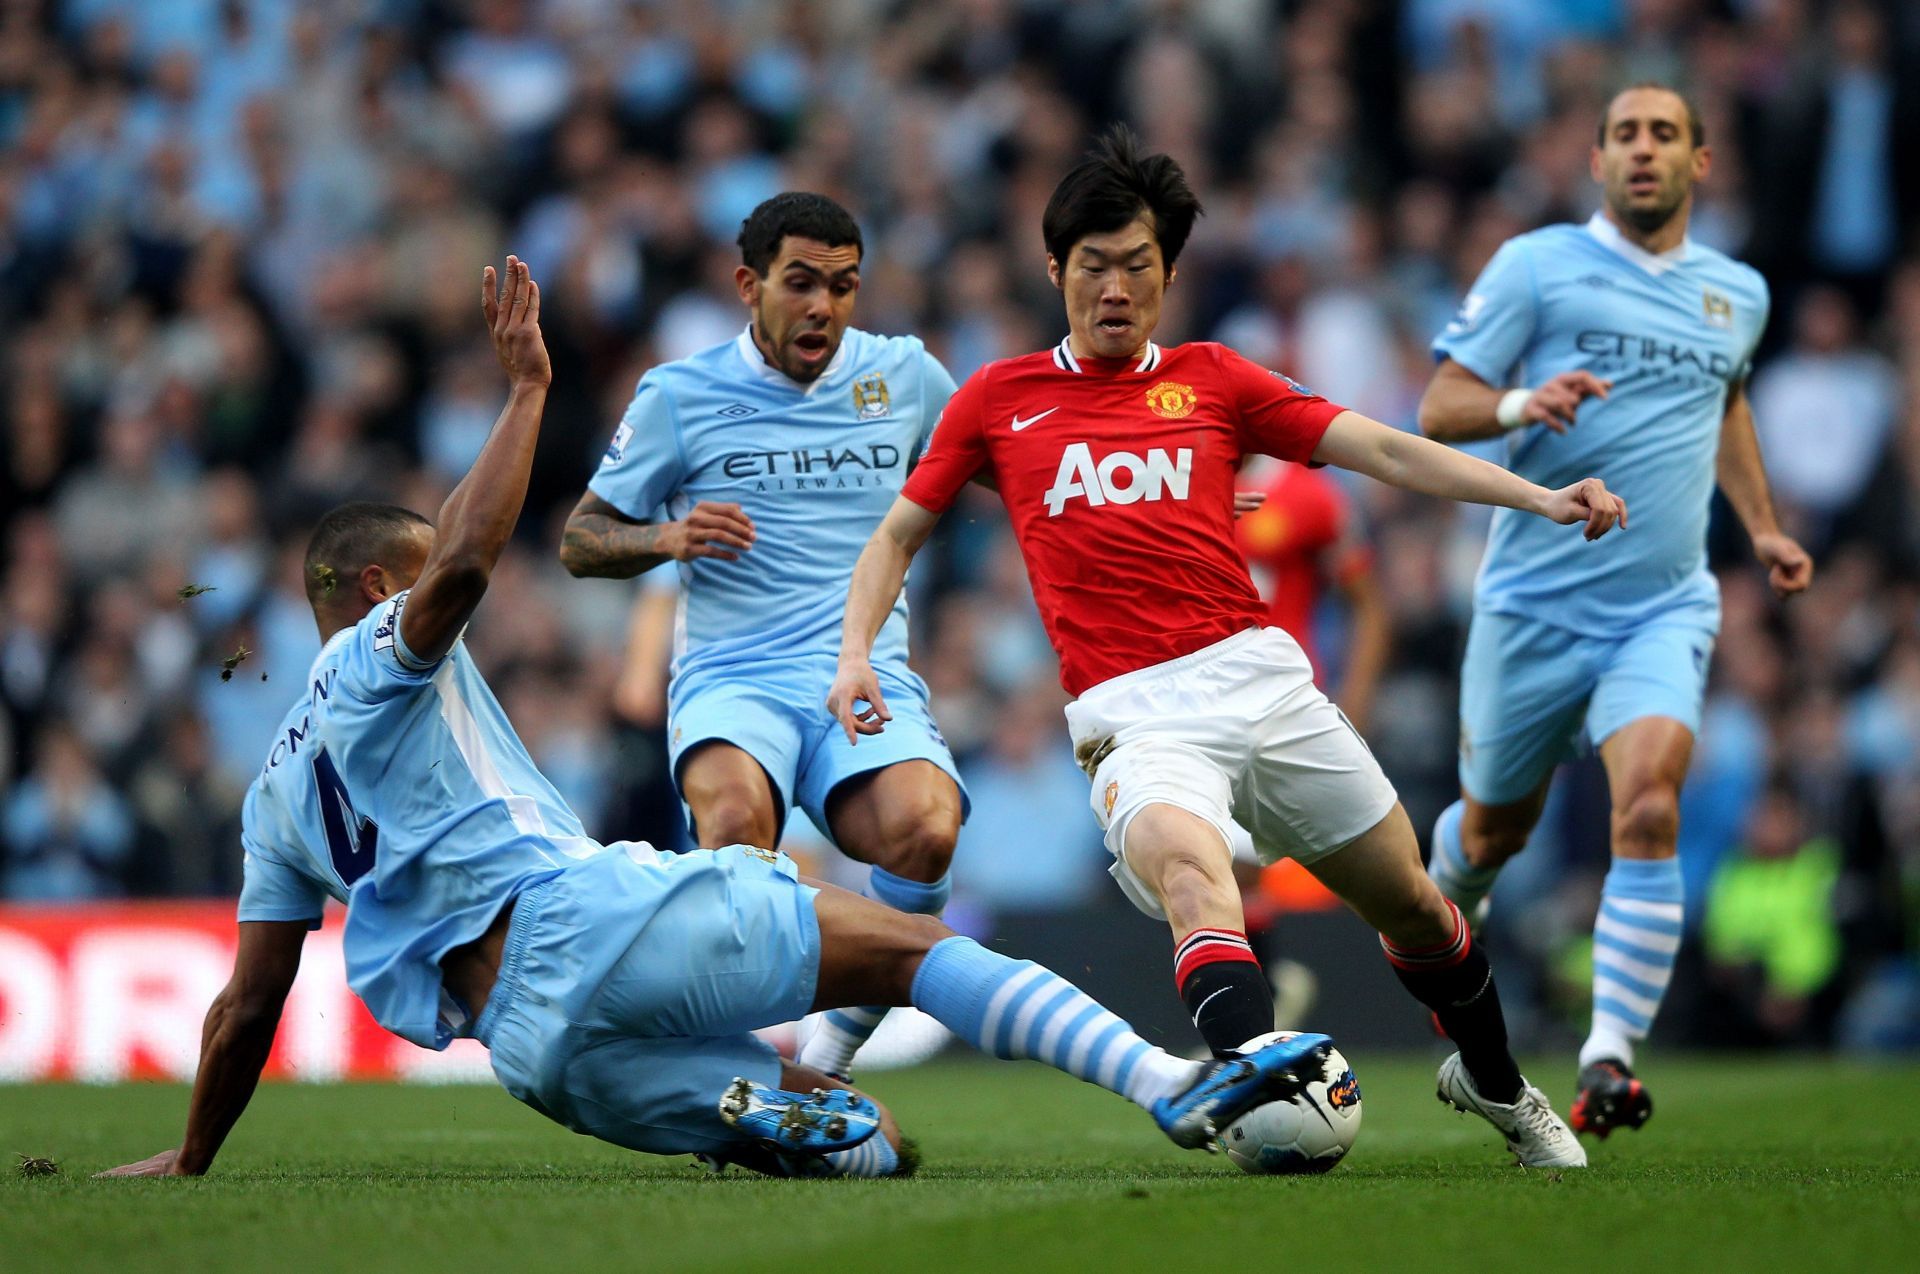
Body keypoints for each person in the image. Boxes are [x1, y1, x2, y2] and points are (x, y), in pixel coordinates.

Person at [99, 257, 1332, 1181]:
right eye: (410, 576)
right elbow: (467, 563)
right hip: (574, 919)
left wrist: (191, 1156)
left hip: (533, 1055)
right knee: (906, 949)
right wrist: (528, 391)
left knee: (881, 1147)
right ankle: (1168, 1080)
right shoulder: (379, 652)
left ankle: (795, 1104)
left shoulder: (273, 791)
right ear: (373, 589)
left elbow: (246, 1002)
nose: (439, 602)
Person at [830, 127, 1623, 1169]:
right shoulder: (999, 399)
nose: (1117, 288)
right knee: (1202, 887)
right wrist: (853, 658)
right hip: (1132, 716)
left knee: (1418, 910)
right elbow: (895, 533)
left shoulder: (1215, 380)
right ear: (1056, 268)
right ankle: (1265, 1084)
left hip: (1261, 680)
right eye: (1096, 265)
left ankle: (1499, 1082)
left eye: (1140, 267)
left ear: (1168, 274)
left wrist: (1538, 494)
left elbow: (1378, 446)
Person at [1416, 84, 1814, 1139]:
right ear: (1596, 160)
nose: (1644, 151)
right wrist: (1518, 404)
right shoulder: (1536, 265)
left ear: (1701, 160)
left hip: (1661, 606)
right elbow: (1437, 405)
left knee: (1649, 806)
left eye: (1665, 135)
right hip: (1530, 607)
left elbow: (1724, 403)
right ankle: (1443, 901)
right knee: (1495, 826)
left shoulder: (1739, 293)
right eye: (1625, 135)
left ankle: (1606, 1061)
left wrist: (1764, 525)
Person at [558, 192, 966, 1079]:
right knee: (738, 828)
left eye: (845, 286)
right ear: (750, 285)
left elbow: (1014, 468)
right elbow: (580, 540)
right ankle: (730, 1055)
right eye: (802, 283)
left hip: (861, 676)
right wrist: (664, 537)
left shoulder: (904, 377)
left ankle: (832, 1050)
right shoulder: (680, 394)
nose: (824, 305)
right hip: (733, 681)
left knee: (927, 832)